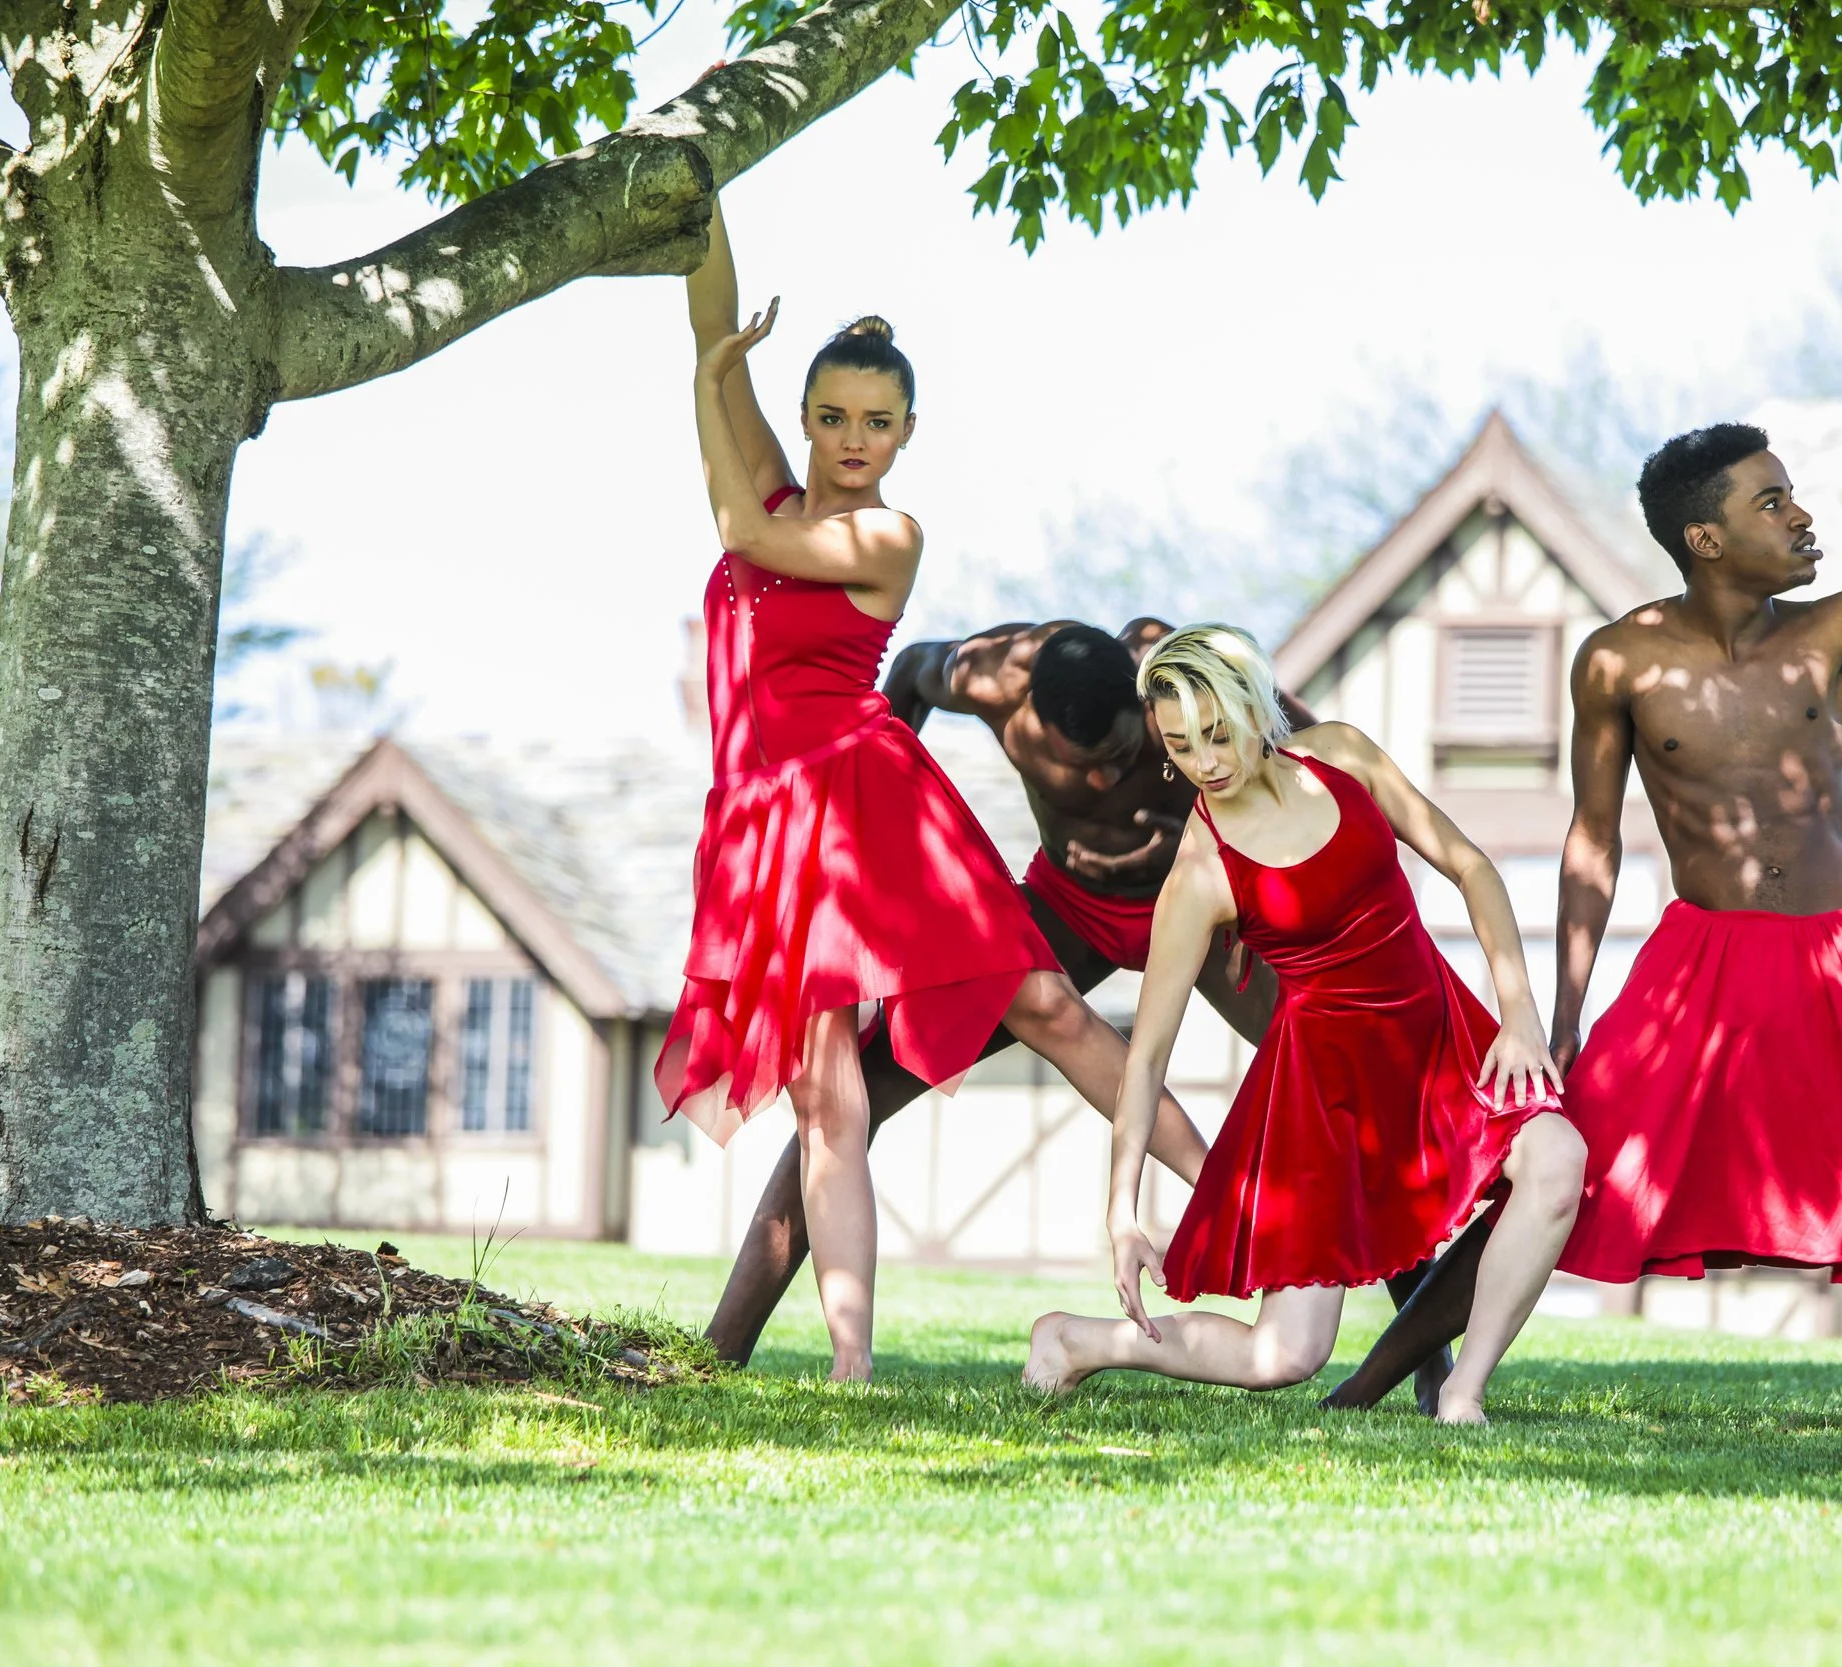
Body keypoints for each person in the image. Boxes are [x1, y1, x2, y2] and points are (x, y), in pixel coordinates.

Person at [1325, 282, 1842, 1439]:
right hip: (1696, 972)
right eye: (1774, 501)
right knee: (1546, 1186)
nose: (1802, 517)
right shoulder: (1616, 661)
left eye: (1795, 495)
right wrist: (1559, 1017)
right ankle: (1366, 1382)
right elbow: (1592, 838)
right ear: (1706, 537)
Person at [659, 197, 1207, 1382]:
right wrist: (697, 193)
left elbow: (735, 536)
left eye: (879, 422)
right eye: (834, 417)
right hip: (771, 832)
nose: (855, 439)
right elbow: (708, 310)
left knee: (1053, 1014)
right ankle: (850, 1364)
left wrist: (710, 384)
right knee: (828, 1108)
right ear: (805, 418)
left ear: (907, 433)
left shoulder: (886, 536)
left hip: (876, 812)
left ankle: (1236, 1206)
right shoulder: (775, 490)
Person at [706, 617, 1462, 1410]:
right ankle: (724, 1344)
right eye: (1081, 767)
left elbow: (1305, 753)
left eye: (1120, 758)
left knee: (1360, 1084)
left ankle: (1424, 1355)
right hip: (1068, 910)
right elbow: (895, 690)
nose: (1103, 784)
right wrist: (871, 836)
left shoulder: (1174, 681)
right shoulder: (984, 677)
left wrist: (1277, 889)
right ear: (1028, 719)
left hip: (1205, 918)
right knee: (852, 1090)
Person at [1021, 625, 1588, 1424]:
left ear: (1255, 706)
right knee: (1284, 1355)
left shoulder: (1343, 756)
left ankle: (1462, 1393)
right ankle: (1077, 1340)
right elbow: (1144, 1059)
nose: (1204, 764)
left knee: (1559, 1160)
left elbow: (1470, 865)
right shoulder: (1200, 870)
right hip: (1326, 1098)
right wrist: (1121, 1211)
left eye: (1218, 735)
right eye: (1180, 747)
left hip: (1438, 1039)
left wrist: (1519, 1010)